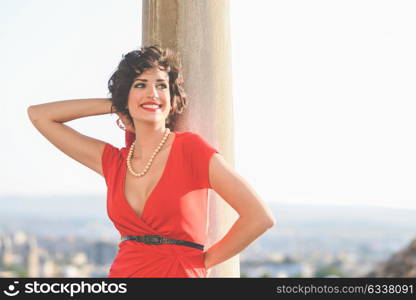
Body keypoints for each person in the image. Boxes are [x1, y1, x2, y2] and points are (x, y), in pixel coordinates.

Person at [27, 45, 276, 278]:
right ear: (126, 96)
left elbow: (259, 217)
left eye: (161, 85)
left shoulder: (191, 150)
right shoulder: (114, 162)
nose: (152, 93)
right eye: (140, 85)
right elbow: (40, 115)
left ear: (172, 99)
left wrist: (203, 262)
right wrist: (114, 105)